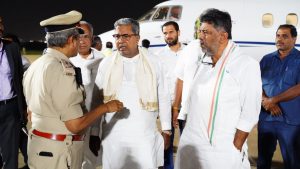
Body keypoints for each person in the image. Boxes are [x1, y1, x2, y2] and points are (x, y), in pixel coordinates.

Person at [22, 10, 123, 169]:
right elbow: (75, 125)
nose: (80, 42)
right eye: (78, 38)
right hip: (59, 153)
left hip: (40, 148)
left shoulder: (36, 65)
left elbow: (30, 112)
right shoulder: (62, 71)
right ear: (71, 40)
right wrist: (105, 108)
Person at [174, 8, 262, 169]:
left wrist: (234, 148)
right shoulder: (202, 63)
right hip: (192, 148)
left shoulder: (245, 65)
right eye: (200, 31)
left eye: (206, 32)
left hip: (221, 153)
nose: (200, 36)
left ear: (223, 36)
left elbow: (250, 113)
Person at [95, 18, 171, 169]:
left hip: (144, 135)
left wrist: (166, 130)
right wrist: (94, 132)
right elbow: (96, 101)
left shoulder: (154, 62)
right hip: (113, 136)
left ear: (137, 38)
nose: (120, 41)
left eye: (126, 36)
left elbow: (163, 96)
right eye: (117, 36)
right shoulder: (106, 64)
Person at [257, 24, 300, 169]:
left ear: (294, 39)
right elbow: (256, 83)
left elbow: (298, 88)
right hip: (266, 118)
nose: (280, 39)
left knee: (292, 162)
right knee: (263, 162)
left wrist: (273, 100)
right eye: (278, 35)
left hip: (290, 122)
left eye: (285, 36)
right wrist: (265, 101)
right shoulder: (266, 59)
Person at [69, 21, 105, 169]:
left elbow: (101, 97)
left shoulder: (103, 61)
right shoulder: (67, 59)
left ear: (92, 38)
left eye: (86, 36)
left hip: (93, 121)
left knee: (90, 161)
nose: (82, 41)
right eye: (78, 36)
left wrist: (95, 132)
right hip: (70, 121)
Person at [155, 21, 185, 169]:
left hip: (187, 106)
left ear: (179, 32)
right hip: (167, 106)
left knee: (188, 142)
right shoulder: (158, 56)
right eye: (165, 33)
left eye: (171, 32)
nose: (168, 36)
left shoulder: (189, 53)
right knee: (166, 144)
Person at [0, 16, 27, 169]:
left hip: (10, 108)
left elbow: (18, 80)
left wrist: (23, 107)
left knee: (10, 156)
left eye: (1, 23)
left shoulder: (12, 48)